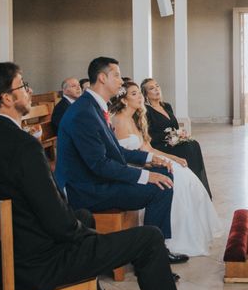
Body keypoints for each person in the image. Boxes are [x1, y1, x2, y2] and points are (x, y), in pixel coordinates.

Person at [0, 62, 178, 290]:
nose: (29, 91)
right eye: (23, 85)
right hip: (37, 265)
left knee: (83, 216)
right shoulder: (24, 147)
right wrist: (93, 241)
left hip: (2, 255)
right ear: (7, 98)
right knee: (148, 237)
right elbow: (58, 223)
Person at [55, 57, 189, 264]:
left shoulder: (94, 106)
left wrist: (151, 158)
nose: (120, 81)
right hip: (86, 188)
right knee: (160, 188)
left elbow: (115, 151)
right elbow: (100, 165)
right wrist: (145, 176)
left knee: (164, 174)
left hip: (95, 179)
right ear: (102, 78)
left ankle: (156, 246)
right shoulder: (84, 113)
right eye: (116, 75)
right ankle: (151, 255)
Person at [112, 82, 221, 256]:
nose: (140, 96)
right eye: (134, 94)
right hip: (136, 168)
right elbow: (120, 157)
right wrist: (152, 164)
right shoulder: (118, 121)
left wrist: (174, 158)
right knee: (178, 182)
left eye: (139, 93)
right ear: (124, 100)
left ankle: (189, 233)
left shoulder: (135, 119)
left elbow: (149, 149)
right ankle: (170, 240)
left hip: (148, 160)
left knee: (186, 174)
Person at [141, 78, 212, 198]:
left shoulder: (167, 106)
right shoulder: (146, 111)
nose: (156, 89)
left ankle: (198, 184)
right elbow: (150, 135)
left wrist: (179, 134)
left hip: (173, 141)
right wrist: (169, 137)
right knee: (187, 148)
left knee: (194, 144)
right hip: (160, 145)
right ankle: (190, 188)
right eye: (151, 88)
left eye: (157, 86)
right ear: (146, 94)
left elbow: (174, 127)